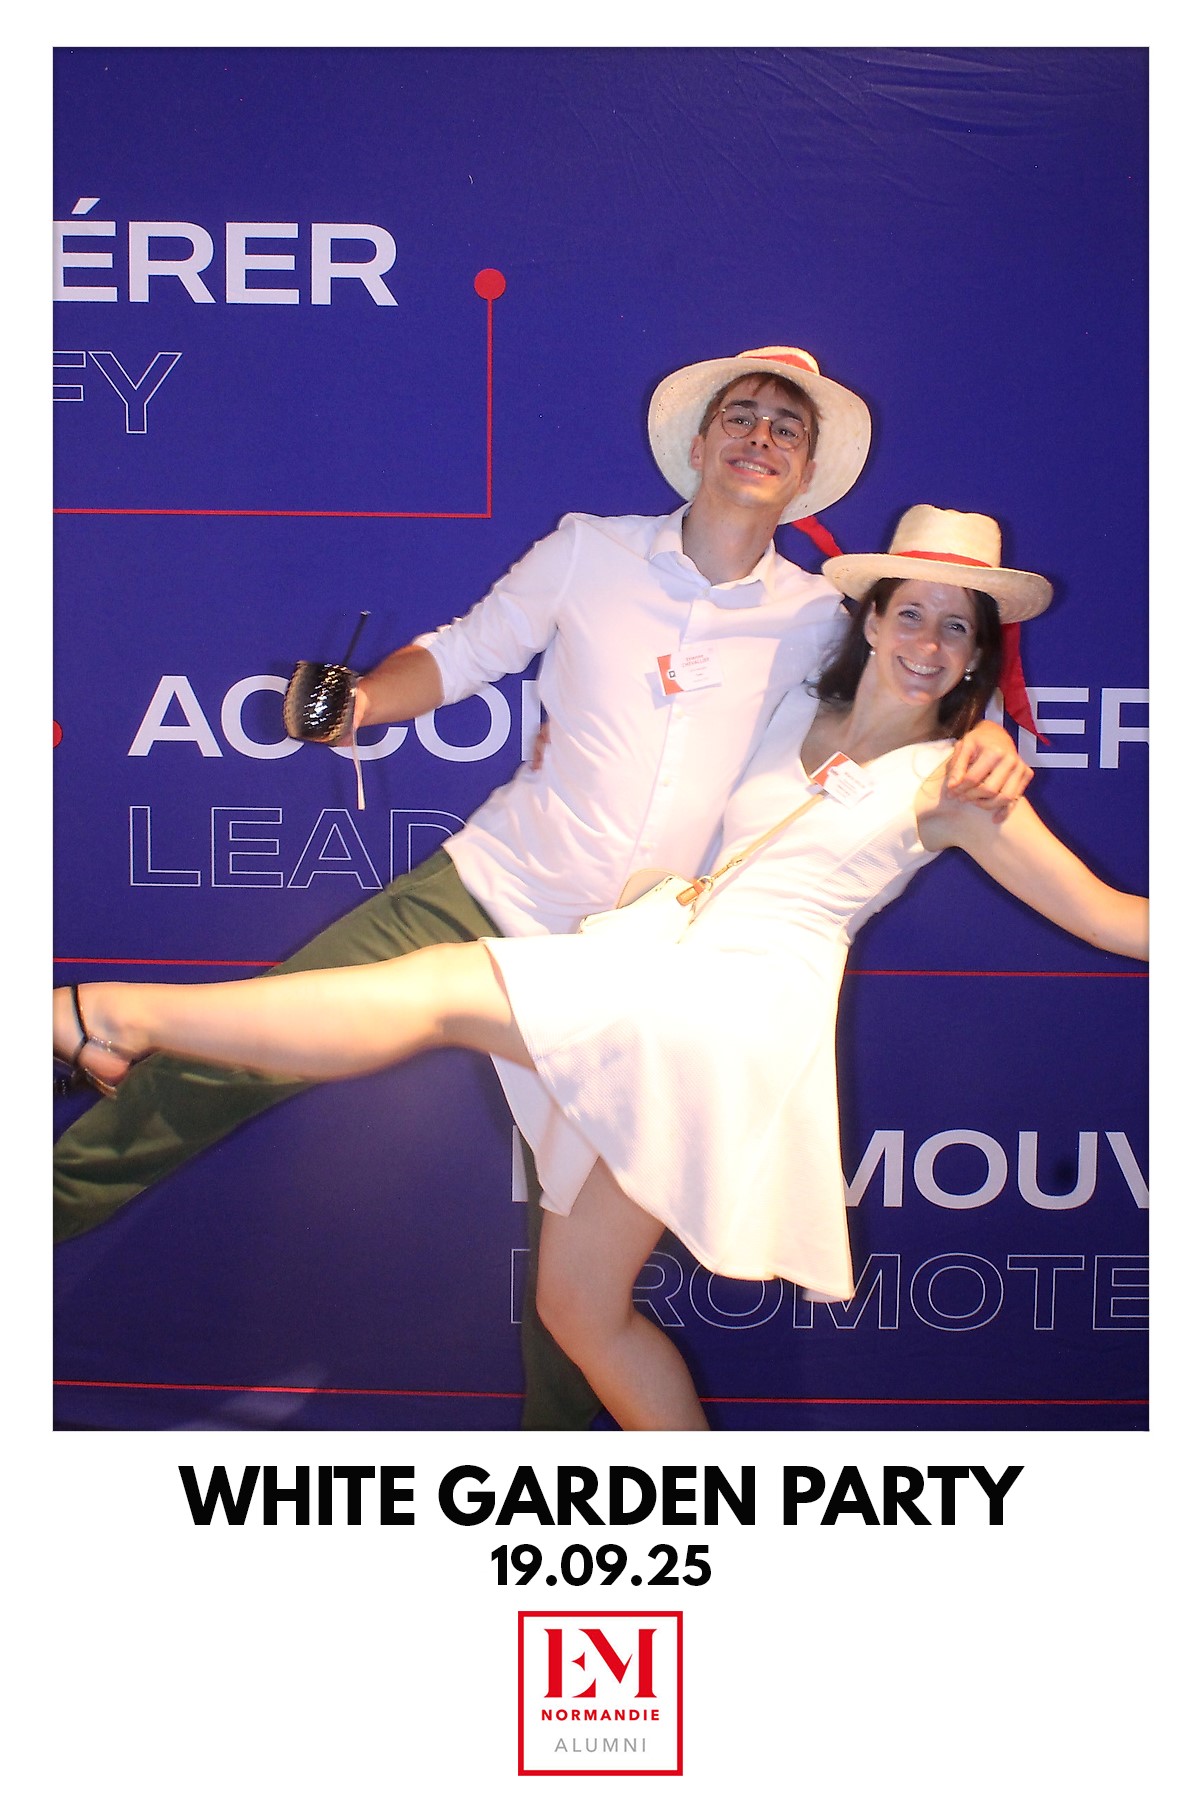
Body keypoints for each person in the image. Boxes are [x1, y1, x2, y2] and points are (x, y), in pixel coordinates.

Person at [53, 351, 1031, 1429]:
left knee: (575, 1288)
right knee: (243, 1047)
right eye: (741, 416)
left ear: (804, 475)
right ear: (699, 443)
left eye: (785, 430)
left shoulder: (820, 620)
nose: (760, 438)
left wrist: (986, 740)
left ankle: (568, 1484)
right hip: (492, 885)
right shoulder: (587, 552)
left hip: (642, 967)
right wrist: (362, 703)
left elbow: (909, 692)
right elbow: (463, 654)